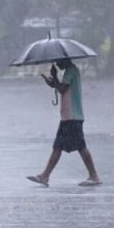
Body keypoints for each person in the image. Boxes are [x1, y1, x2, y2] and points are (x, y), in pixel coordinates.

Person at [27, 58, 101, 187]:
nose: (57, 64)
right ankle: (45, 175)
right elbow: (63, 88)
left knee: (79, 146)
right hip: (69, 116)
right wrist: (54, 82)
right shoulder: (72, 71)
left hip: (72, 116)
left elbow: (62, 89)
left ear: (64, 60)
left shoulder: (70, 71)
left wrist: (55, 78)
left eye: (58, 61)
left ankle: (94, 176)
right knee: (60, 146)